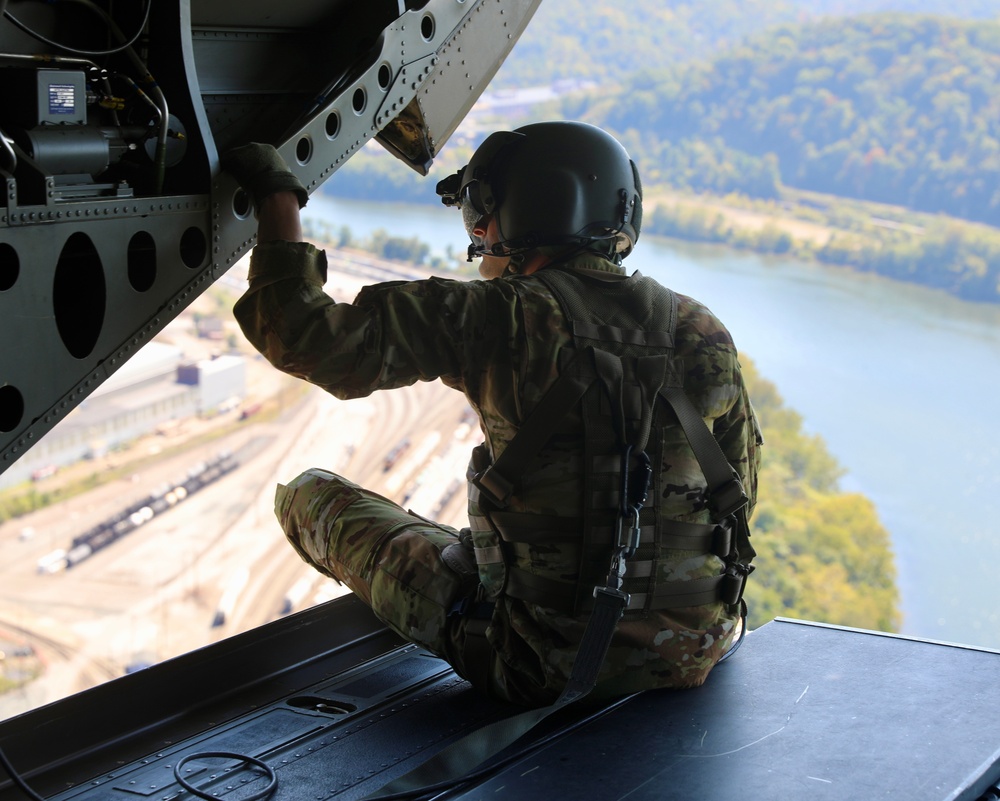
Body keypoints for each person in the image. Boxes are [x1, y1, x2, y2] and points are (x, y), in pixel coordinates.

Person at [226, 121, 762, 708]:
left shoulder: (502, 315)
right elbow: (736, 493)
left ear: (525, 208)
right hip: (694, 655)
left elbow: (303, 335)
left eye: (483, 210)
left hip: (538, 666)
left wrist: (277, 197)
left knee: (309, 495)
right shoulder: (702, 328)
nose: (478, 229)